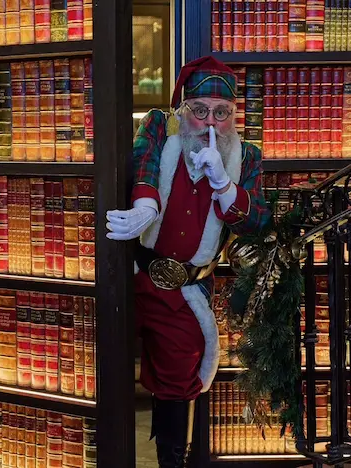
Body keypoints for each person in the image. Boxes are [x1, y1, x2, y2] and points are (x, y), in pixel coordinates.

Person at [106, 56, 270, 468]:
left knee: (178, 379)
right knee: (101, 362)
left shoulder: (245, 156)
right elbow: (144, 162)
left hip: (183, 291)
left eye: (221, 113)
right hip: (134, 275)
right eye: (200, 111)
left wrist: (224, 186)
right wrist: (145, 205)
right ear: (184, 110)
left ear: (232, 116)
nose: (210, 123)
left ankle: (170, 462)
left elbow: (257, 222)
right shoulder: (162, 127)